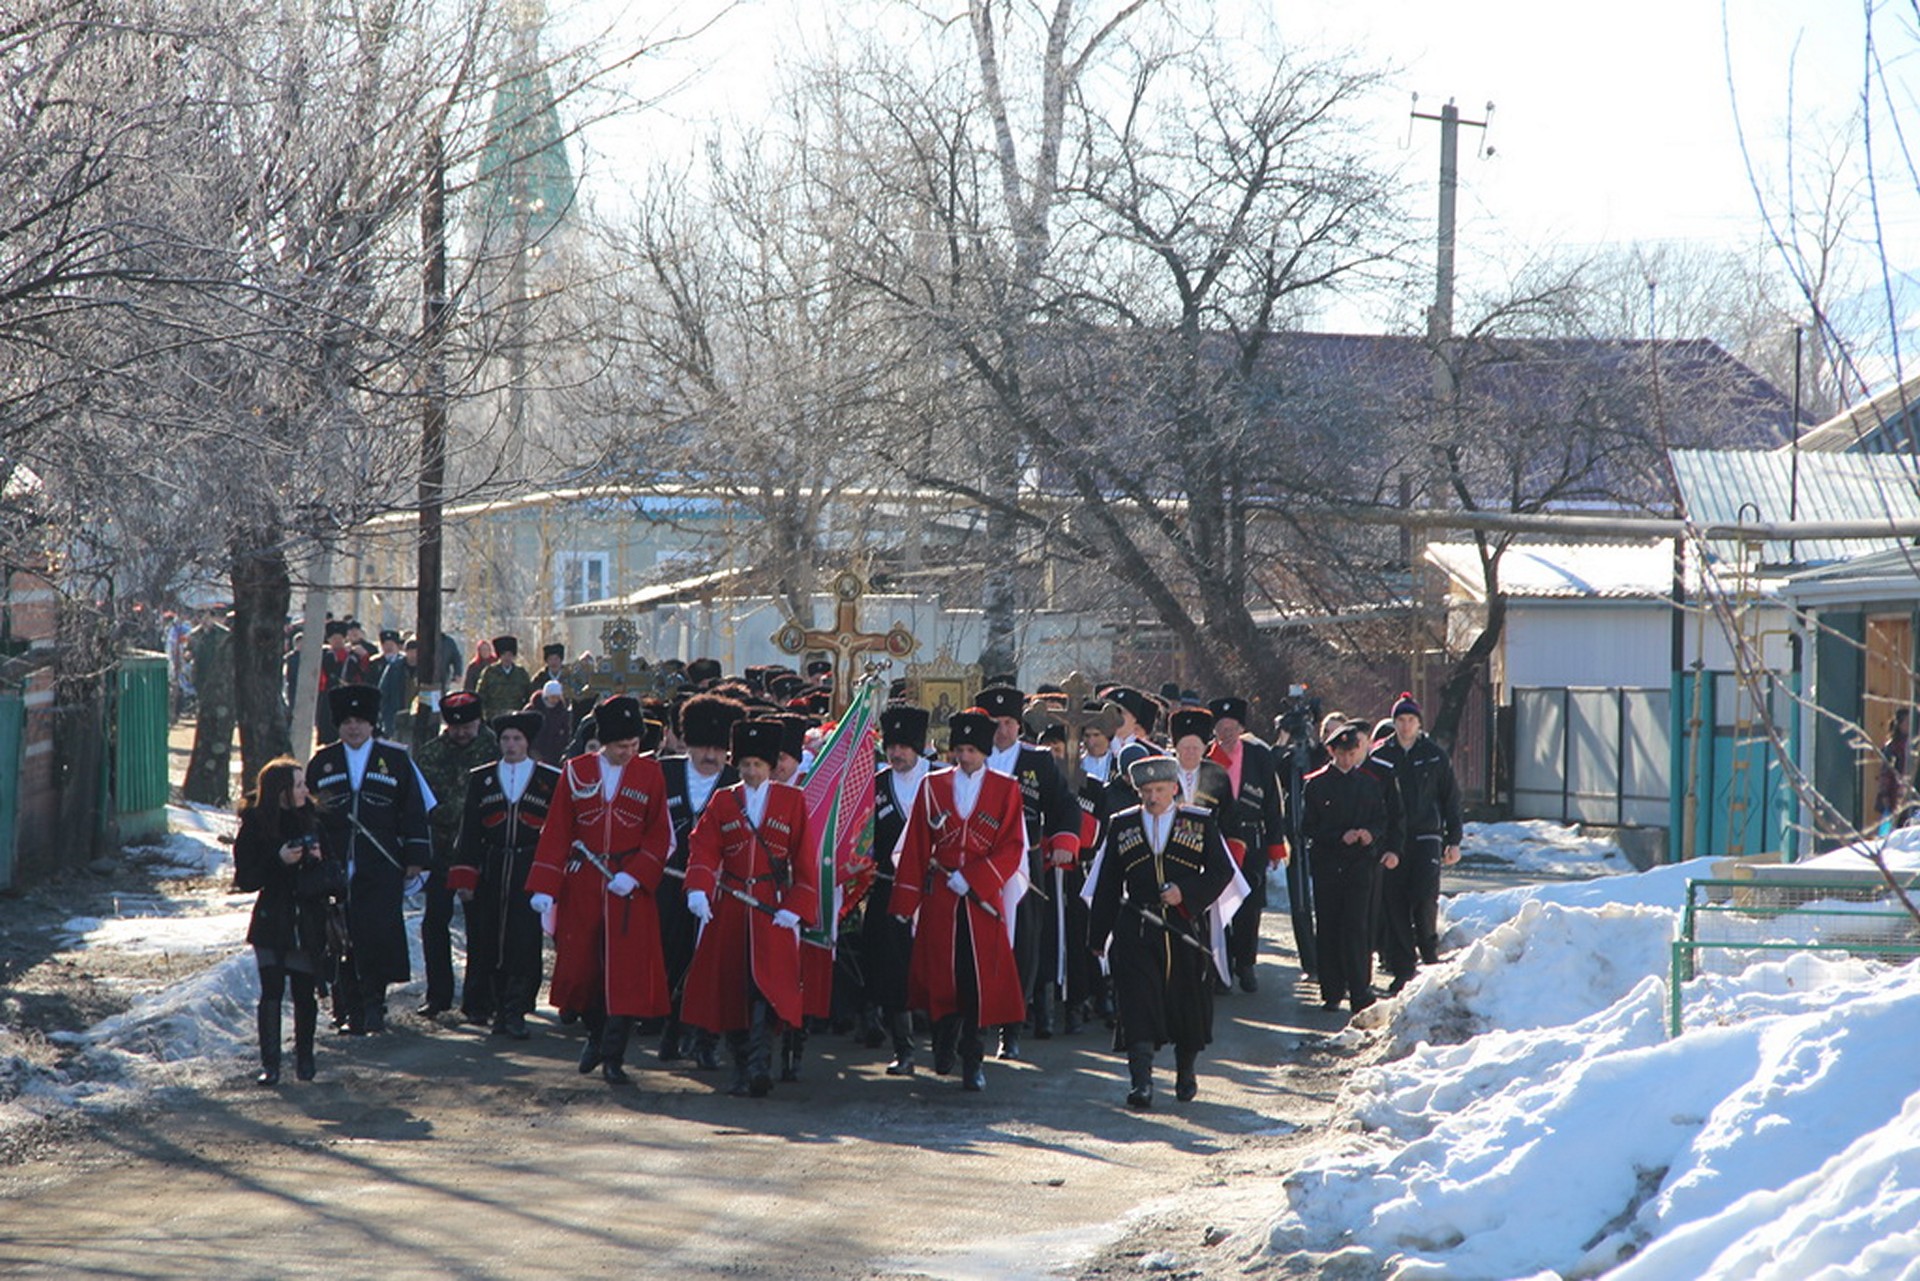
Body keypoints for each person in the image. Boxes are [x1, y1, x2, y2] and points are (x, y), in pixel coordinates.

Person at [526, 695, 674, 1085]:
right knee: (581, 968)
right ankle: (594, 1032)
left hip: (628, 886)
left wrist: (639, 874)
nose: (630, 752)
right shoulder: (575, 772)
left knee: (625, 974)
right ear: (604, 742)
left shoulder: (651, 775)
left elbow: (661, 836)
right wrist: (545, 885)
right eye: (622, 745)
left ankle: (613, 1055)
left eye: (634, 744)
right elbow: (557, 831)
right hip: (584, 882)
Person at [888, 710, 1029, 1092]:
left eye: (971, 750)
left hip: (980, 901)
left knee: (976, 980)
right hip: (941, 898)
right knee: (940, 975)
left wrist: (976, 879)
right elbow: (917, 845)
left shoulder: (1006, 789)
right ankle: (943, 1039)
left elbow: (1012, 847)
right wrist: (905, 903)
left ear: (984, 752)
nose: (964, 756)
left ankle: (973, 1059)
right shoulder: (932, 786)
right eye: (959, 749)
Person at [1087, 755, 1236, 1108]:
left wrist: (1187, 892)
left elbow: (1221, 872)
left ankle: (1186, 1071)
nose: (1153, 797)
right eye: (1146, 791)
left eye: (1159, 789)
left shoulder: (1199, 823)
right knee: (1137, 1003)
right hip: (1136, 926)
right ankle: (1142, 1082)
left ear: (1174, 789)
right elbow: (1107, 882)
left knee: (1186, 1002)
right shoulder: (1121, 825)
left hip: (1183, 925)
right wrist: (1098, 936)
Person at [680, 720, 817, 1097]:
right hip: (732, 906)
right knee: (733, 988)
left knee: (766, 990)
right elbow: (704, 849)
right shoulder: (724, 800)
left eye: (758, 765)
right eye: (745, 765)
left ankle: (760, 1065)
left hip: (772, 908)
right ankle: (740, 1067)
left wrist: (798, 905)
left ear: (771, 767)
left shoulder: (793, 801)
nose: (751, 772)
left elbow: (805, 859)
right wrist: (698, 889)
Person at [307, 683, 434, 1035]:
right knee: (340, 936)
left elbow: (414, 811)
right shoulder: (323, 762)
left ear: (372, 723)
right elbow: (309, 816)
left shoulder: (395, 760)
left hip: (381, 864)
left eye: (360, 721)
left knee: (376, 933)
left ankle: (374, 1004)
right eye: (347, 721)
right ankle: (347, 1007)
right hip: (334, 867)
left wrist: (416, 858)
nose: (353, 727)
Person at [974, 684, 1079, 1055]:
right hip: (977, 865)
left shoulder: (1038, 762)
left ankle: (1012, 1030)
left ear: (1019, 725)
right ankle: (975, 1025)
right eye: (995, 723)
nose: (1002, 730)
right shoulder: (971, 760)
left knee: (1023, 946)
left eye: (1009, 722)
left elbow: (1065, 806)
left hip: (1025, 866)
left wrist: (1064, 843)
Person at [449, 710, 561, 1038]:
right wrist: (465, 877)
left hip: (530, 868)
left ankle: (516, 1008)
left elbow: (556, 834)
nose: (511, 745)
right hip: (492, 868)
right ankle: (494, 1006)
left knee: (523, 939)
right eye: (506, 739)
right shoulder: (481, 778)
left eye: (517, 739)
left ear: (528, 742)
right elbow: (469, 830)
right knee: (489, 938)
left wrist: (550, 879)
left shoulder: (549, 779)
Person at [232, 756, 342, 1085]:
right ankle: (271, 1064)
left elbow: (337, 880)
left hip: (307, 921)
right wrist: (278, 860)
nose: (305, 790)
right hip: (271, 919)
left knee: (304, 993)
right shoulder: (254, 826)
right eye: (298, 784)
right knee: (271, 993)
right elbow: (246, 879)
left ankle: (305, 1060)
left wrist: (318, 863)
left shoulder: (314, 823)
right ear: (280, 791)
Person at [656, 693, 746, 1066]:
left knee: (709, 965)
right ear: (686, 741)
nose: (710, 755)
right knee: (670, 959)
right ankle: (670, 1029)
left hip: (718, 889)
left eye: (718, 748)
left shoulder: (736, 782)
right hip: (668, 883)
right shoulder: (664, 773)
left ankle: (704, 1037)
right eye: (702, 746)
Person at [1301, 720, 1398, 1015]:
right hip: (1329, 864)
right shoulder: (1316, 784)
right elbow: (1307, 827)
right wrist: (1337, 836)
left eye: (1350, 752)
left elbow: (1382, 819)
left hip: (1359, 865)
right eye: (1340, 752)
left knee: (1357, 927)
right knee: (1329, 926)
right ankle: (1331, 991)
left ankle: (1359, 989)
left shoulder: (1369, 783)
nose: (1345, 758)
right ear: (1331, 751)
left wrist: (1371, 835)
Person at [412, 690, 500, 1018]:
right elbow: (419, 801)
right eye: (455, 727)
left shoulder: (495, 749)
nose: (462, 732)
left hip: (480, 853)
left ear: (479, 720)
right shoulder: (431, 754)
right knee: (435, 922)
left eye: (468, 726)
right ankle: (438, 995)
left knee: (480, 926)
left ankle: (479, 999)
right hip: (441, 852)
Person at [862, 704, 937, 1073]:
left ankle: (944, 1045)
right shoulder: (874, 786)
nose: (897, 753)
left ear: (918, 746)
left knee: (937, 969)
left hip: (936, 891)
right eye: (891, 745)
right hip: (889, 889)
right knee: (892, 971)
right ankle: (903, 1050)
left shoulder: (942, 780)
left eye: (904, 746)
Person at [1370, 693, 1462, 993]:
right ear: (1393, 723)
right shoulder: (1381, 755)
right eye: (1400, 720)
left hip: (1426, 834)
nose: (1406, 726)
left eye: (1411, 720)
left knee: (1424, 897)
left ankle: (1429, 950)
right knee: (1394, 902)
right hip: (1393, 840)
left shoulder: (1434, 754)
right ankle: (1403, 967)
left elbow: (1451, 799)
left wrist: (1454, 840)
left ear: (1419, 723)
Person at [1207, 696, 1288, 993]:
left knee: (1249, 904)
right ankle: (1220, 964)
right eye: (1221, 727)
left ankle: (1246, 962)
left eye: (1232, 727)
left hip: (1252, 837)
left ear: (1241, 728)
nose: (1226, 732)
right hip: (1216, 838)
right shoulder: (1206, 756)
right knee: (1217, 903)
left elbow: (1272, 803)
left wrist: (1276, 844)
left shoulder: (1258, 756)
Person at [476, 635, 533, 723]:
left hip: (516, 716)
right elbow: (481, 695)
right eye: (504, 655)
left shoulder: (521, 673)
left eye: (510, 655)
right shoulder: (489, 672)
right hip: (494, 717)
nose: (507, 658)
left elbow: (529, 694)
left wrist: (524, 712)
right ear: (499, 656)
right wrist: (483, 714)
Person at [526, 680, 574, 765]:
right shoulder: (532, 710)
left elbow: (566, 732)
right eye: (553, 697)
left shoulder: (562, 711)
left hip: (554, 753)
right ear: (546, 695)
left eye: (557, 697)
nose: (555, 700)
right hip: (533, 751)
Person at [1879, 708, 1910, 827]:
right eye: (1906, 722)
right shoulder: (1892, 747)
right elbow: (1885, 774)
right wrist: (1885, 798)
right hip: (1895, 797)